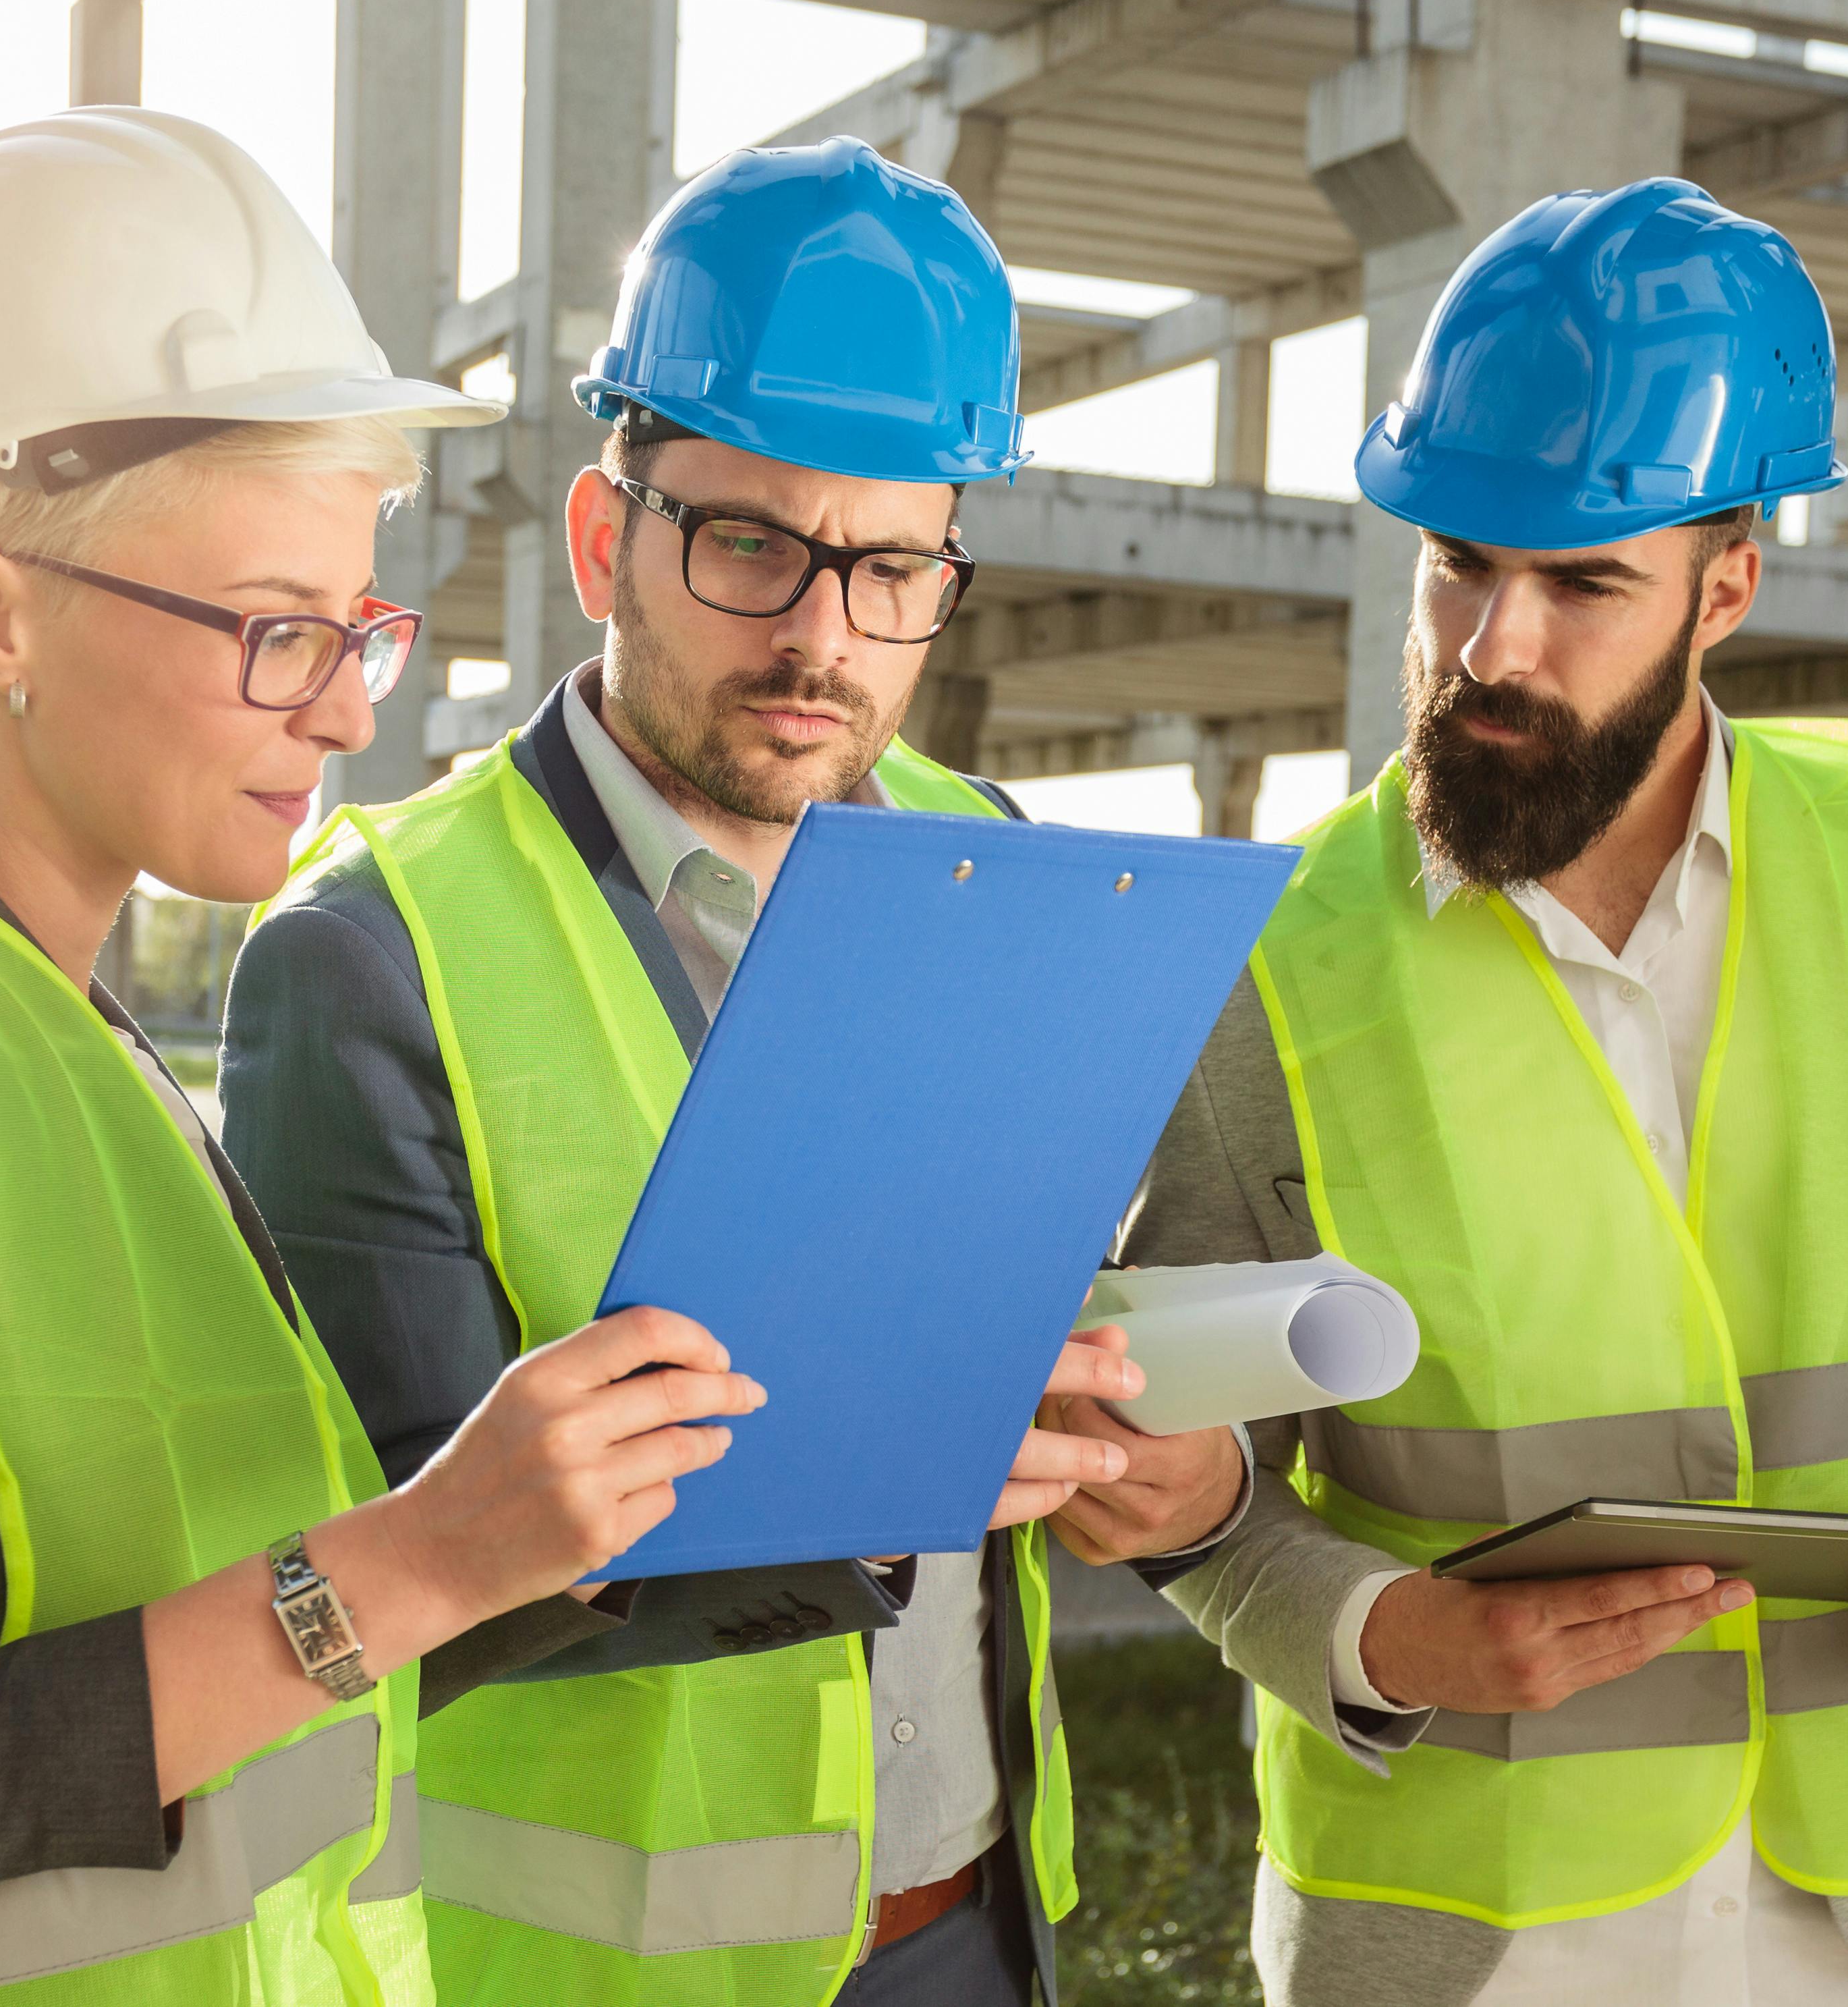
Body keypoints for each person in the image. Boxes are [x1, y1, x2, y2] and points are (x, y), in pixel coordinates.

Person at [0, 111, 761, 2007]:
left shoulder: (73, 1035)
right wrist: (415, 1561)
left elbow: (223, 1651)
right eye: (279, 633)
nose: (349, 711)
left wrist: (562, 1520)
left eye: (358, 629)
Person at [219, 136, 1252, 2007]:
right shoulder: (371, 955)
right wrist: (863, 1474)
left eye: (889, 568)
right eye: (751, 545)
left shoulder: (997, 856)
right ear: (604, 539)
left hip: (975, 1920)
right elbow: (387, 1594)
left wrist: (1138, 1434)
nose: (818, 637)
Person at [1122, 179, 1848, 2007]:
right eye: (1456, 562)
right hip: (1453, 1942)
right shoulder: (1261, 956)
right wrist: (1387, 1637)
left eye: (1585, 583)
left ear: (1726, 585)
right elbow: (1182, 1480)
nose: (1490, 647)